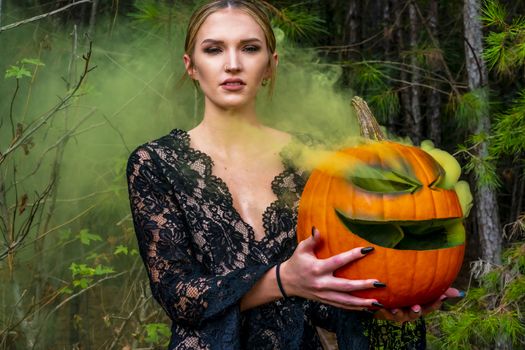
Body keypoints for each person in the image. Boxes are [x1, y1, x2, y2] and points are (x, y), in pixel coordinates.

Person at [126, 1, 462, 349]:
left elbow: (323, 297)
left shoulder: (311, 160)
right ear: (191, 66)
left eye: (250, 48)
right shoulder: (156, 162)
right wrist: (283, 279)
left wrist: (386, 301)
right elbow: (178, 296)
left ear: (271, 65)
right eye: (213, 49)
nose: (232, 64)